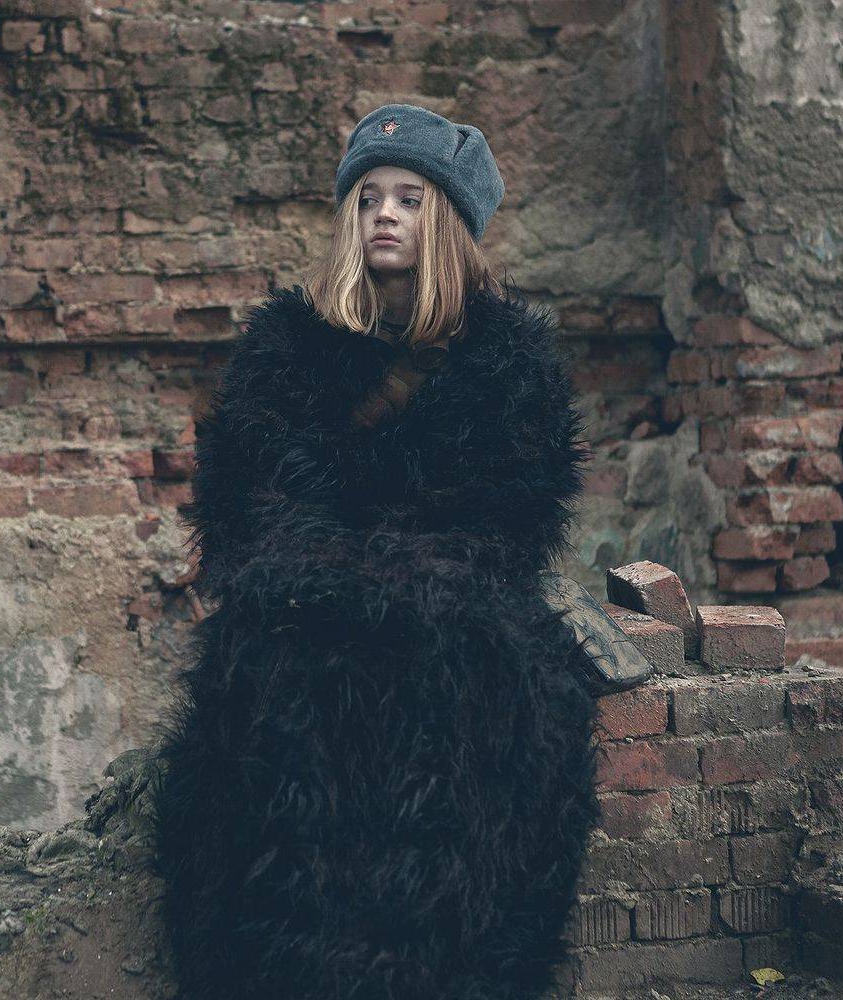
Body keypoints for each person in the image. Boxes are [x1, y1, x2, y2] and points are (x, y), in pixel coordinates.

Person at [148, 104, 618, 1000]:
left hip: (450, 615)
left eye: (408, 198)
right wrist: (338, 572)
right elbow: (248, 506)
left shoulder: (508, 362)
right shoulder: (287, 349)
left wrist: (396, 574)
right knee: (273, 707)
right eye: (367, 199)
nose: (384, 216)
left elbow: (505, 522)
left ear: (447, 219)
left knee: (489, 711)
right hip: (304, 611)